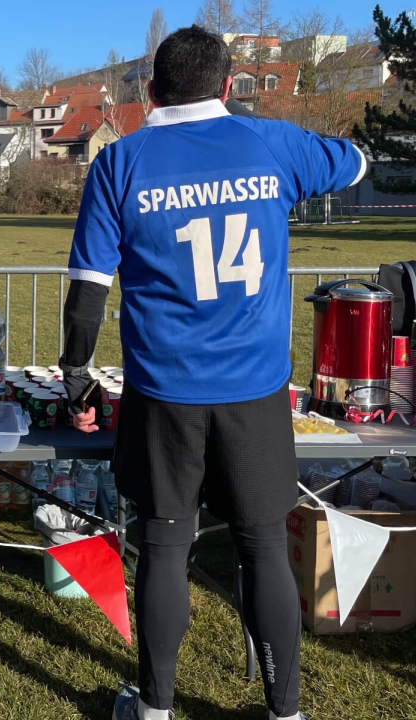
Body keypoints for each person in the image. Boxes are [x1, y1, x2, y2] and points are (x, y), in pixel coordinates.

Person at [58, 27, 368, 720]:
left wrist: (77, 372)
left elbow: (87, 287)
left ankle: (157, 709)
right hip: (255, 390)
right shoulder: (273, 142)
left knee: (166, 542)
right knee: (262, 545)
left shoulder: (121, 161)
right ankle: (286, 711)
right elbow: (356, 163)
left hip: (163, 391)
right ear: (228, 86)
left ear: (150, 89)